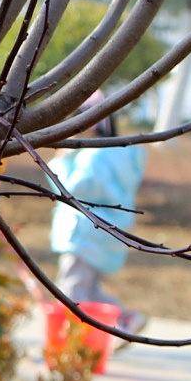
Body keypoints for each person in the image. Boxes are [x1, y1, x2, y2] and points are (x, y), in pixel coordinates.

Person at [45, 116, 148, 332]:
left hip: (84, 234)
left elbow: (72, 191)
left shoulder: (93, 157)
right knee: (90, 291)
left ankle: (70, 343)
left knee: (71, 290)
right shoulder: (120, 157)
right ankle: (124, 320)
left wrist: (61, 163)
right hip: (105, 234)